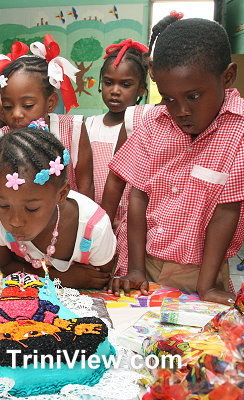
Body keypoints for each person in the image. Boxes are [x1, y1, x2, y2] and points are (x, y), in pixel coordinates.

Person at [107, 18, 244, 304]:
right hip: (144, 262)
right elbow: (138, 196)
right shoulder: (153, 121)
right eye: (169, 98)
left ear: (228, 77)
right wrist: (136, 268)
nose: (181, 111)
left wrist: (207, 286)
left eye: (194, 96)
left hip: (202, 271)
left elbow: (227, 209)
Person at [0, 127, 116, 289]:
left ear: (61, 194)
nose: (15, 221)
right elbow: (7, 266)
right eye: (4, 205)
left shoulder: (94, 228)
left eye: (31, 208)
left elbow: (100, 278)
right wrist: (63, 278)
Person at [0, 36, 94, 199]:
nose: (16, 114)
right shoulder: (2, 137)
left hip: (70, 213)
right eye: (7, 106)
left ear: (51, 103)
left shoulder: (73, 129)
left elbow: (86, 184)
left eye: (27, 105)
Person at [87, 39, 149, 276]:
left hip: (133, 220)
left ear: (141, 90)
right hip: (98, 216)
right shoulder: (90, 125)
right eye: (108, 82)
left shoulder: (143, 125)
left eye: (125, 84)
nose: (115, 90)